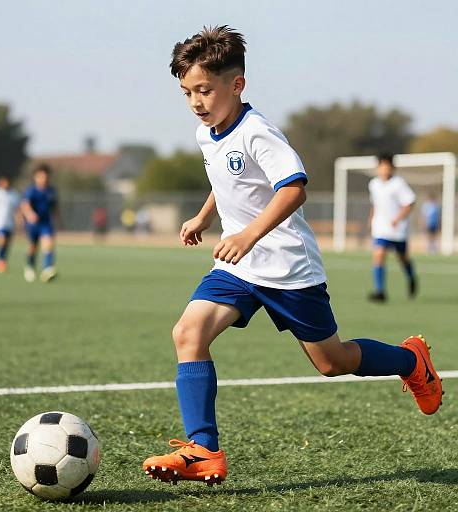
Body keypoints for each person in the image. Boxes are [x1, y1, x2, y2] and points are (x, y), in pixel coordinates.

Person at [142, 26, 443, 486]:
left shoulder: (258, 131)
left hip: (287, 266)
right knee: (188, 333)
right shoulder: (209, 133)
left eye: (204, 90)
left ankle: (411, 361)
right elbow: (225, 179)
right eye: (186, 93)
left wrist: (247, 235)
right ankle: (204, 449)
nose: (195, 102)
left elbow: (293, 188)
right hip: (237, 268)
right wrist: (206, 217)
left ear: (236, 84)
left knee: (332, 362)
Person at [368, 154, 418, 302]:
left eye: (387, 166)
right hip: (380, 227)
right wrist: (371, 217)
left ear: (393, 168)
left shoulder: (399, 183)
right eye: (382, 166)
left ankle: (411, 277)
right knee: (379, 254)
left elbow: (410, 203)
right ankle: (380, 291)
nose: (385, 169)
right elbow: (375, 204)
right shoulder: (374, 184)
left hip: (397, 229)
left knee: (402, 259)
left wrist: (398, 219)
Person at [21, 163, 59, 282]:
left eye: (46, 176)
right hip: (33, 224)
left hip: (46, 222)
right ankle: (30, 266)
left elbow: (55, 207)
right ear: (36, 177)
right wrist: (30, 214)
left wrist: (58, 219)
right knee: (33, 247)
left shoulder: (51, 191)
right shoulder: (31, 191)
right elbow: (25, 205)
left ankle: (47, 269)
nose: (44, 179)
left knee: (48, 244)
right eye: (41, 176)